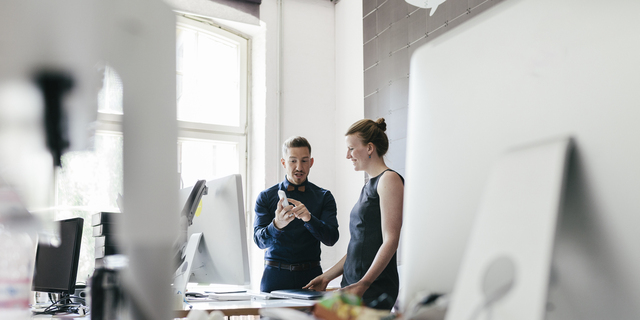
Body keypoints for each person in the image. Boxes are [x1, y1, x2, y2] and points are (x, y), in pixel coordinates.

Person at [304, 118, 404, 310]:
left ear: (369, 148)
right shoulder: (368, 185)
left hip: (372, 287)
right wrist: (327, 276)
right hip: (353, 286)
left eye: (351, 148)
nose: (347, 156)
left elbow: (391, 240)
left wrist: (364, 284)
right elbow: (358, 247)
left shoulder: (389, 179)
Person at [253, 136, 339, 292]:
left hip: (311, 278)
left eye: (304, 161)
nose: (299, 167)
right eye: (293, 161)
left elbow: (331, 238)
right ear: (284, 163)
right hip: (274, 277)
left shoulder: (324, 197)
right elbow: (259, 241)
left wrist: (309, 219)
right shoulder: (265, 197)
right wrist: (276, 225)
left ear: (311, 162)